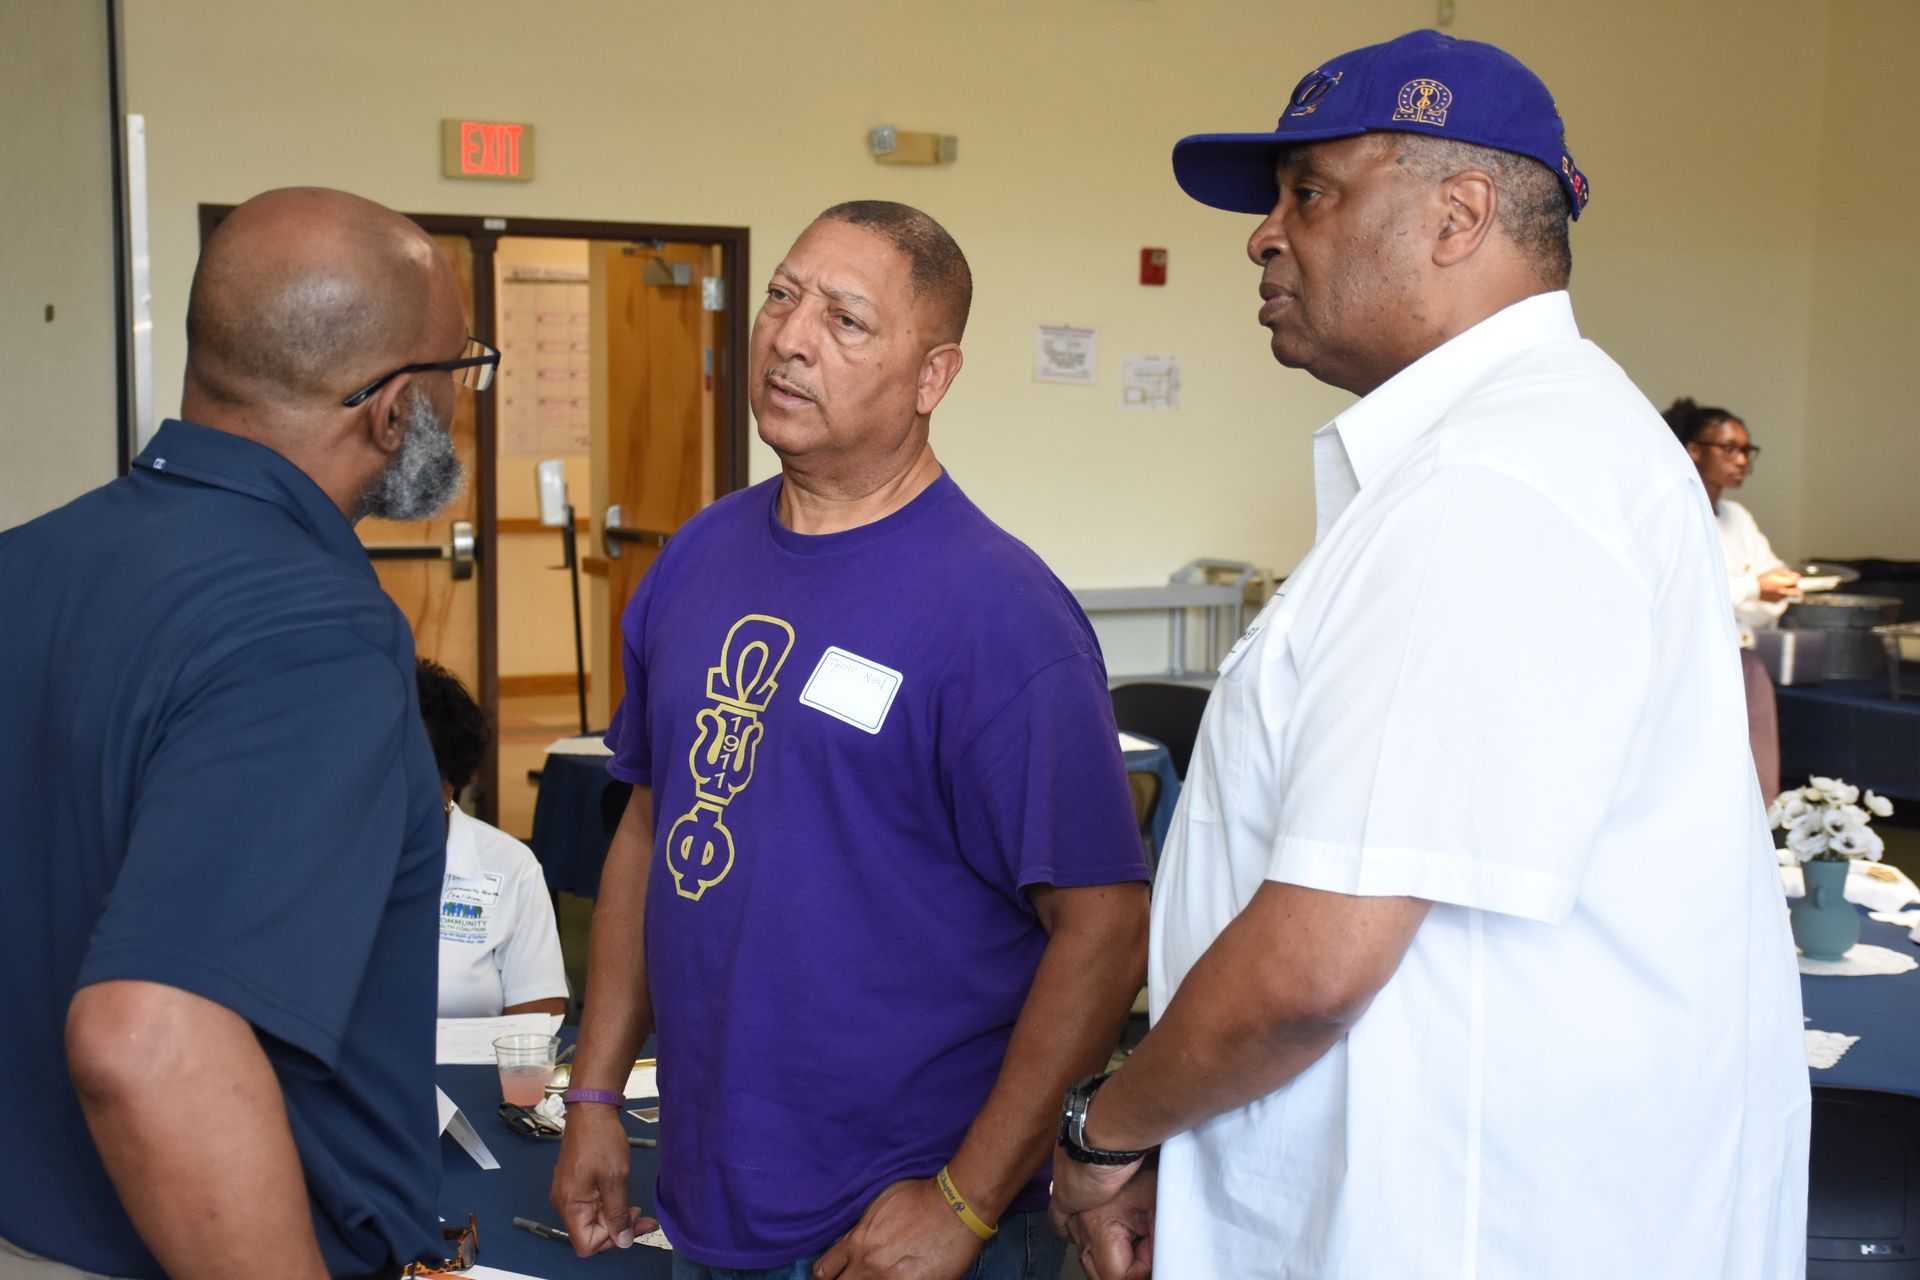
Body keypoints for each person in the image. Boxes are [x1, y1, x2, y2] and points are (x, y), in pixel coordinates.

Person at [1050, 30, 1809, 1280]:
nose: (1262, 234)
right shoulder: (1548, 444)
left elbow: (1315, 960)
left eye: (1311, 193)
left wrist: (1108, 1127)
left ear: (1458, 216)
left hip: (1467, 1221)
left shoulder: (1497, 479)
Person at [549, 200, 1150, 1279]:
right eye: (782, 294)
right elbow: (651, 823)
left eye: (847, 320)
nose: (789, 336)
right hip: (707, 1194)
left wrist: (964, 1203)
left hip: (893, 1222)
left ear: (933, 378)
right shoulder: (695, 558)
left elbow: (1105, 929)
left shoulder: (1002, 616)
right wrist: (594, 1090)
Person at [0, 187, 494, 1279]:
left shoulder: (23, 564)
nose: (462, 403)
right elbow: (146, 1040)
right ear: (395, 404)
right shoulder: (314, 630)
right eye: (462, 371)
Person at [416, 658, 569, 1018]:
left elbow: (538, 1017)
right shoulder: (330, 860)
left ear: (449, 780)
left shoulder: (511, 867)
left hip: (477, 1072)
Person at [1665, 396, 1801, 638]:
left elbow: (1776, 594)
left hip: (1742, 647)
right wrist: (1754, 587)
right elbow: (1685, 595)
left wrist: (1741, 595)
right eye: (1729, 449)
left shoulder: (1737, 515)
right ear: (1694, 450)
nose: (1742, 460)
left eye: (1746, 450)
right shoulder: (1672, 516)